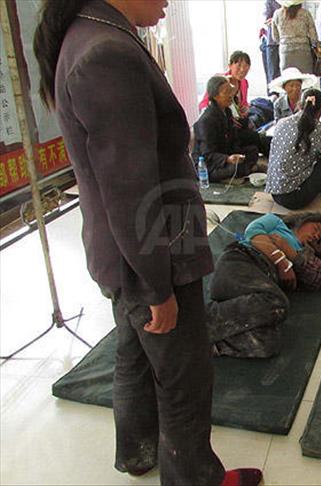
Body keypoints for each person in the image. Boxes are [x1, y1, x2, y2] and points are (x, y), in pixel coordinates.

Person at [33, 1, 261, 485]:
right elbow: (128, 188)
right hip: (154, 253)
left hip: (125, 249)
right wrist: (157, 286)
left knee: (135, 353)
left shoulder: (90, 35)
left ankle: (137, 451)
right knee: (184, 377)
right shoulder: (105, 53)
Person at [206, 212, 321, 358]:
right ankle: (200, 319)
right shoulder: (276, 222)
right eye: (315, 229)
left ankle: (203, 343)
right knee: (276, 302)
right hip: (240, 263)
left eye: (318, 237)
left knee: (269, 343)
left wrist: (289, 251)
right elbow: (253, 232)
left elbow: (316, 280)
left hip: (251, 296)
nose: (315, 235)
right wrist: (281, 261)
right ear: (303, 221)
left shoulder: (305, 253)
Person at [199, 51, 271, 158]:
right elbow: (204, 105)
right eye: (239, 66)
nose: (242, 70)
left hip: (238, 124)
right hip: (225, 127)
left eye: (246, 66)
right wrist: (227, 118)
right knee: (256, 139)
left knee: (260, 139)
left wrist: (245, 110)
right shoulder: (221, 82)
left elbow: (244, 104)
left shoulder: (244, 83)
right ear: (230, 66)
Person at [192, 76, 260, 182]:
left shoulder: (227, 111)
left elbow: (233, 139)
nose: (231, 95)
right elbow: (207, 155)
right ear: (215, 96)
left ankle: (243, 170)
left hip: (225, 152)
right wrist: (227, 159)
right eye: (226, 92)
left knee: (253, 150)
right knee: (234, 168)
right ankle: (241, 171)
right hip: (209, 165)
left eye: (231, 91)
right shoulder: (206, 121)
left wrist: (237, 153)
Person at [272, 0, 318, 74]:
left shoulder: (277, 14)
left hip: (285, 52)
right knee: (305, 78)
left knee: (287, 78)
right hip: (303, 52)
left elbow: (275, 37)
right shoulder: (305, 13)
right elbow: (314, 37)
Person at [260, 0, 282, 91]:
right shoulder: (269, 2)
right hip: (272, 42)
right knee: (273, 73)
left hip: (288, 42)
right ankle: (273, 94)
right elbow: (266, 21)